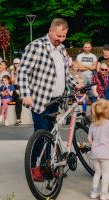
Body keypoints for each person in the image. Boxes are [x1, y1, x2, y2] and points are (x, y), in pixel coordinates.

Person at [17, 18, 79, 175]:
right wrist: (26, 94)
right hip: (40, 100)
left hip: (56, 99)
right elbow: (23, 71)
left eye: (64, 36)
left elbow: (64, 73)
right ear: (50, 31)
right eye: (58, 36)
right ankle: (34, 167)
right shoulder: (36, 47)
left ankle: (48, 165)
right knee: (41, 133)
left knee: (51, 134)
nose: (61, 39)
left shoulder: (62, 49)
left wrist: (75, 85)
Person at [88, 99, 109, 200]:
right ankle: (104, 194)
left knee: (97, 173)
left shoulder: (92, 125)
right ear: (107, 111)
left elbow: (89, 139)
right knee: (105, 174)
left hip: (95, 153)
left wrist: (94, 146)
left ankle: (94, 192)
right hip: (106, 153)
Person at [9, 58, 23, 126]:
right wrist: (14, 72)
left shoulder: (23, 71)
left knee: (18, 100)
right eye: (15, 63)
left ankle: (18, 119)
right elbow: (12, 81)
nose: (16, 64)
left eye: (17, 63)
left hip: (20, 88)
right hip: (13, 88)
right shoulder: (12, 71)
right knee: (17, 97)